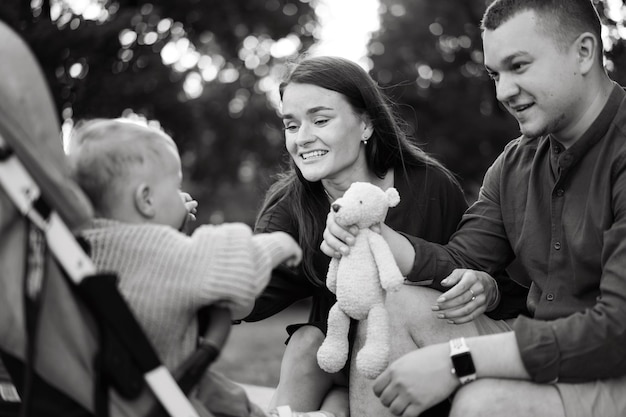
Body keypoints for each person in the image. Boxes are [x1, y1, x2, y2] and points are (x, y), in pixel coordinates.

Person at [322, 0, 626, 416]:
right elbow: (462, 259)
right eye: (495, 74)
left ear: (585, 52)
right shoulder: (514, 164)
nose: (503, 92)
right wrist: (370, 234)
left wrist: (458, 360)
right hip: (535, 341)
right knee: (397, 304)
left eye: (519, 66)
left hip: (613, 366)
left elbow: (616, 330)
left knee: (481, 402)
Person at [243, 55, 495, 417]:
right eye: (291, 125)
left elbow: (466, 271)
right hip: (334, 359)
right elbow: (253, 294)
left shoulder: (429, 187)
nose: (302, 138)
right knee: (304, 343)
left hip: (412, 360)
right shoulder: (290, 207)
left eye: (320, 120)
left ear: (365, 124)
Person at [66, 118, 303, 417]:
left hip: (110, 395)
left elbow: (144, 271)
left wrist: (170, 222)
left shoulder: (79, 248)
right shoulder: (168, 255)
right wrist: (280, 243)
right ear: (146, 199)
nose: (181, 194)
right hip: (163, 402)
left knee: (225, 396)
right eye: (175, 185)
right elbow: (234, 263)